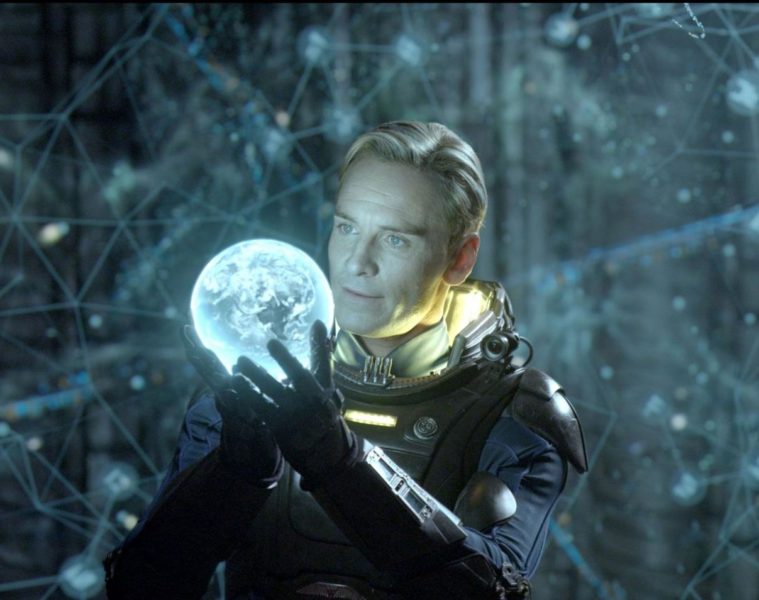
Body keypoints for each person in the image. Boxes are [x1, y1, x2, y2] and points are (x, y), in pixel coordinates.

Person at [103, 121, 588, 600]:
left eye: (396, 239)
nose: (357, 262)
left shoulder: (517, 415)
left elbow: (494, 589)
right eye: (347, 227)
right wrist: (236, 473)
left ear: (460, 258)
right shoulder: (245, 392)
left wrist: (338, 461)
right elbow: (140, 587)